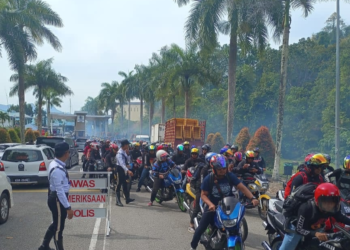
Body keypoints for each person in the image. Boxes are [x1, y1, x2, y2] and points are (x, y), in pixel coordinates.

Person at [190, 154, 259, 250]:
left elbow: (242, 187)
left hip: (228, 205)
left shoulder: (230, 176)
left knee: (236, 224)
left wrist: (252, 198)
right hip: (213, 206)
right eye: (219, 169)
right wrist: (210, 204)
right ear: (213, 168)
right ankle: (193, 247)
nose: (222, 170)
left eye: (224, 168)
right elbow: (203, 195)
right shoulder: (208, 179)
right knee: (201, 228)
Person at [279, 183, 350, 250]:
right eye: (325, 201)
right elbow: (299, 229)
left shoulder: (333, 209)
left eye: (333, 201)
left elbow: (341, 217)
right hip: (297, 227)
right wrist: (315, 234)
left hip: (315, 226)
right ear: (317, 200)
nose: (329, 205)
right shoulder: (307, 208)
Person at [38, 142, 73, 250]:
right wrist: (68, 207)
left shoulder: (56, 164)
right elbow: (60, 191)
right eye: (69, 152)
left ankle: (44, 246)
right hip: (58, 200)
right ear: (66, 153)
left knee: (55, 223)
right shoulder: (57, 169)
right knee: (59, 228)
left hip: (56, 199)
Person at [115, 139, 135, 207]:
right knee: (118, 185)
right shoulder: (119, 153)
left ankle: (127, 199)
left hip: (124, 169)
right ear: (124, 145)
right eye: (127, 145)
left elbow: (128, 160)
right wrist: (128, 170)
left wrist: (128, 154)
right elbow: (122, 164)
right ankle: (117, 201)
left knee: (125, 184)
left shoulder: (124, 151)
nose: (128, 146)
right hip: (120, 169)